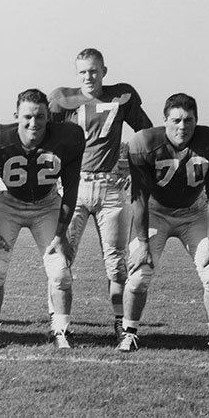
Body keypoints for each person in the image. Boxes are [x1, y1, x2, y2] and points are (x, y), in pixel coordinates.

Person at [123, 93, 209, 357]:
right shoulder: (144, 143)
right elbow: (138, 198)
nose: (182, 126)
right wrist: (142, 243)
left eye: (188, 120)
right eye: (175, 120)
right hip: (155, 211)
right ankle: (129, 333)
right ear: (164, 121)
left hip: (194, 212)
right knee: (139, 273)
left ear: (196, 121)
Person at [49, 47, 153, 345]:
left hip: (110, 188)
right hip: (75, 186)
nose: (88, 77)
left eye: (93, 71)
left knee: (116, 262)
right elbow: (46, 137)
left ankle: (120, 322)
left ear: (104, 71)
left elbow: (146, 134)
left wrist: (131, 166)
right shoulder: (62, 99)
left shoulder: (121, 96)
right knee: (61, 258)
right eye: (82, 71)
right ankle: (58, 322)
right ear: (76, 73)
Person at [0, 88, 86, 348]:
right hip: (7, 202)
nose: (33, 123)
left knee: (60, 273)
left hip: (47, 204)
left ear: (49, 117)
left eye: (40, 117)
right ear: (16, 116)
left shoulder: (69, 137)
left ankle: (61, 331)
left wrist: (60, 234)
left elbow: (71, 188)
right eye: (27, 117)